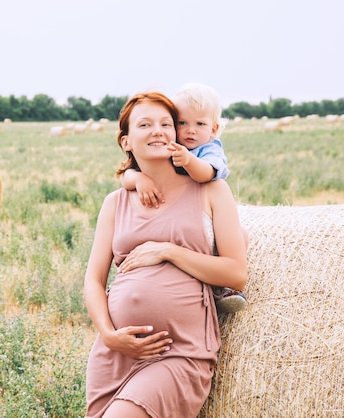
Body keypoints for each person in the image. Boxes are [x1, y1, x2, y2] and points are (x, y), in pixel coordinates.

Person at [84, 91, 248, 417]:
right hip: (115, 353)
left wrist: (168, 251)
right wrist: (109, 334)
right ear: (127, 141)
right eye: (145, 124)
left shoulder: (212, 190)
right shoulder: (115, 203)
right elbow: (93, 280)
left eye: (165, 123)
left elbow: (236, 273)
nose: (158, 130)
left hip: (179, 352)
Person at [119, 83, 247, 313]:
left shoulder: (209, 150)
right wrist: (139, 180)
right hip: (180, 214)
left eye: (200, 124)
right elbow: (126, 173)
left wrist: (188, 160)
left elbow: (207, 174)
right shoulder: (167, 149)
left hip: (202, 212)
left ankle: (222, 289)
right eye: (181, 123)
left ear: (214, 129)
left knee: (239, 238)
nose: (190, 131)